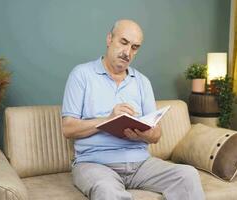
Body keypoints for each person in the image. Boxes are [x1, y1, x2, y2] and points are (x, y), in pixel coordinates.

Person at [61, 19, 205, 200]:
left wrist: (142, 134)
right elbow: (68, 128)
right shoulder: (81, 75)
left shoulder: (142, 82)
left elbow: (156, 134)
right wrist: (108, 119)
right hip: (95, 163)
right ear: (109, 39)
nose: (127, 52)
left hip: (141, 164)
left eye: (135, 47)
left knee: (187, 175)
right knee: (107, 190)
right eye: (123, 42)